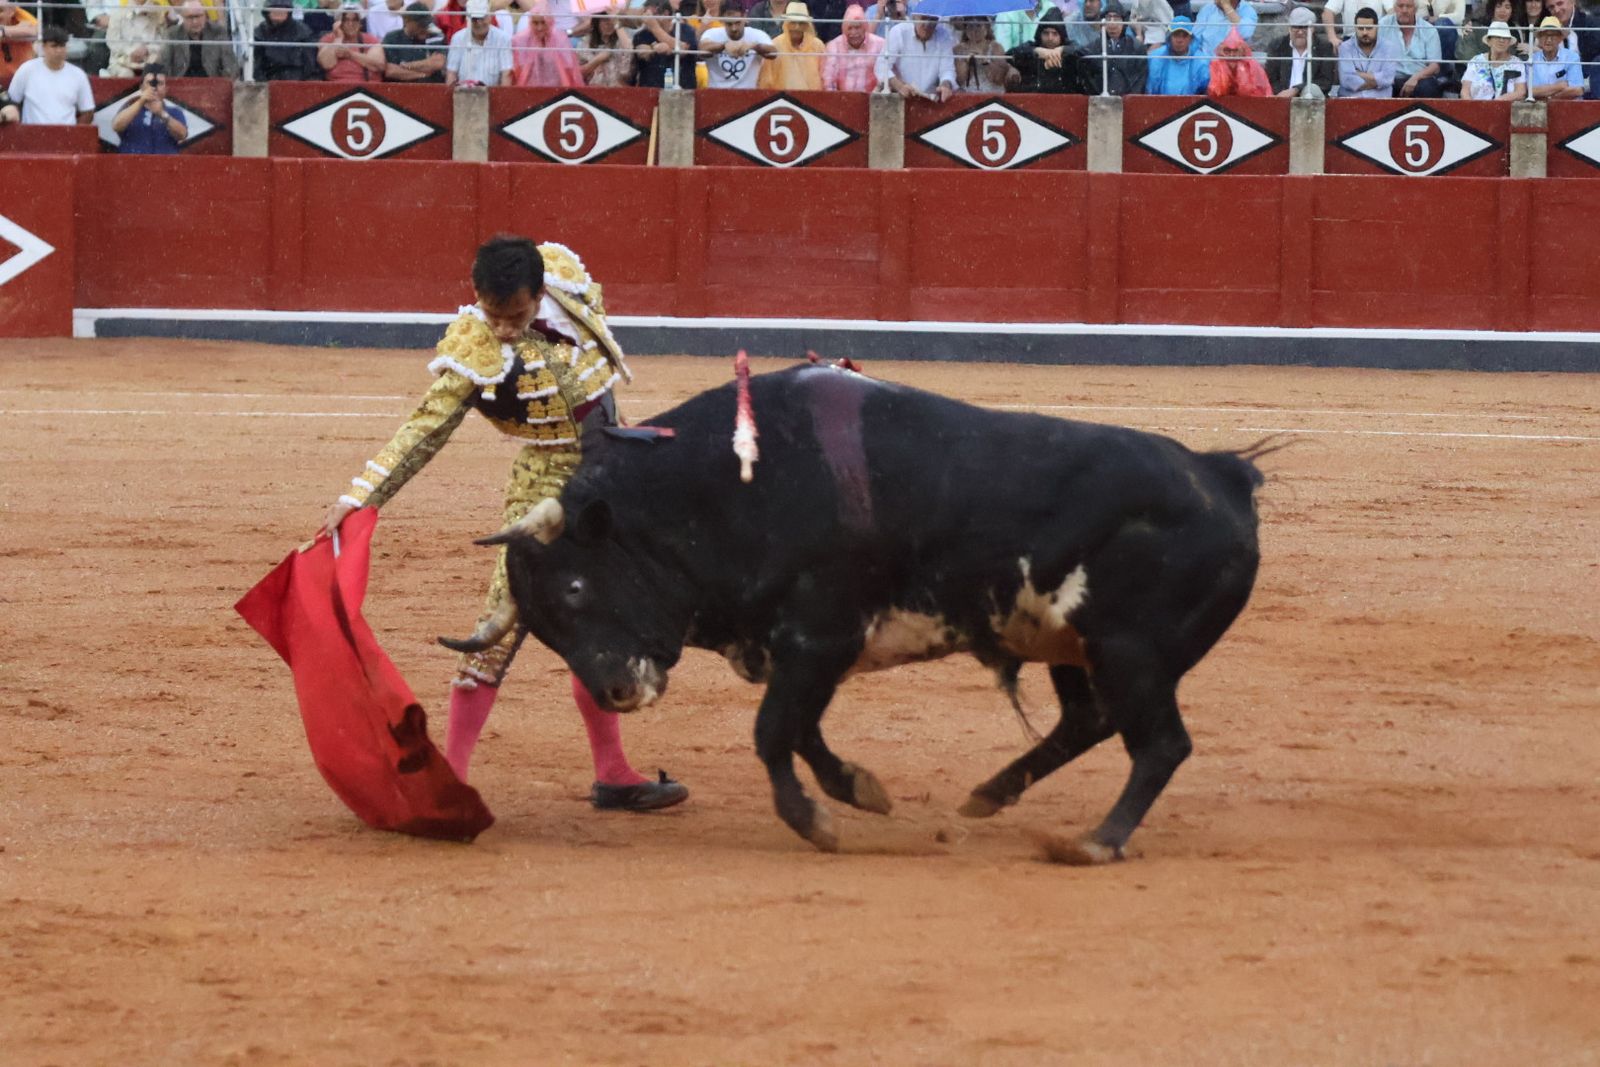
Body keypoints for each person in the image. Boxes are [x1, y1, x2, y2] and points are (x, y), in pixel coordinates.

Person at [320, 236, 690, 811]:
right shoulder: (475, 347)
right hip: (542, 492)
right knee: (499, 624)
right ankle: (451, 781)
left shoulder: (564, 280)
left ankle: (613, 773)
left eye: (515, 315)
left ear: (539, 294)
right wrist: (361, 495)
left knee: (600, 628)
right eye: (492, 314)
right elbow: (424, 430)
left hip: (610, 483)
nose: (504, 329)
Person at [7, 25, 93, 123]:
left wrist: (73, 135)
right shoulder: (27, 69)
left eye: (62, 46)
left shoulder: (78, 75)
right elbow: (12, 102)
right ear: (43, 47)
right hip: (32, 135)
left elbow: (88, 112)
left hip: (66, 136)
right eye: (54, 46)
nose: (59, 50)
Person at [876, 11, 956, 99]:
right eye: (924, 19)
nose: (927, 25)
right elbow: (881, 66)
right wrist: (899, 86)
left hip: (932, 99)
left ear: (937, 20)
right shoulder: (899, 31)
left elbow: (947, 70)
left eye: (932, 20)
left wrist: (945, 85)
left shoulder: (943, 35)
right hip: (901, 97)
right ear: (914, 17)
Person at [110, 61, 189, 151]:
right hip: (132, 163)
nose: (155, 88)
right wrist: (141, 101)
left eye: (160, 83)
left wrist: (162, 114)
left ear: (166, 89)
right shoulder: (129, 108)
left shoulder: (174, 112)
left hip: (165, 163)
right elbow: (116, 126)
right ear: (141, 87)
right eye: (150, 83)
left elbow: (182, 135)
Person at [1007, 5, 1081, 92]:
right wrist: (1036, 51)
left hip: (1066, 100)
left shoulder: (1071, 47)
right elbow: (1008, 55)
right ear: (1040, 34)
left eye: (1055, 33)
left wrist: (1062, 50)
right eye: (1046, 33)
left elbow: (1083, 52)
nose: (1050, 38)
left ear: (1061, 36)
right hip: (1032, 100)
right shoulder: (1032, 46)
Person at [1266, 4, 1336, 95]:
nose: (1300, 32)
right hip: (1282, 97)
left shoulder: (1324, 47)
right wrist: (1282, 94)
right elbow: (1271, 78)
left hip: (1311, 100)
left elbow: (1325, 82)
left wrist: (1296, 90)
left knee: (1313, 90)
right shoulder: (1277, 45)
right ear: (1289, 28)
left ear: (1313, 29)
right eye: (1296, 27)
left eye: (1304, 27)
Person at [1379, 0, 1443, 96]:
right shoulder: (1383, 25)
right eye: (1400, 6)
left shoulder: (1429, 30)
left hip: (1420, 78)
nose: (1404, 10)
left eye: (1409, 6)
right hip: (1391, 78)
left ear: (1416, 9)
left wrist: (1415, 78)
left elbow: (1435, 66)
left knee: (1428, 88)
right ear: (1394, 8)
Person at [700, 6, 775, 87]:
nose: (734, 28)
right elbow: (702, 49)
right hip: (716, 93)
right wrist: (723, 45)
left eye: (738, 23)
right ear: (722, 19)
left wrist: (753, 46)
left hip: (748, 94)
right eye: (729, 24)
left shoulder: (757, 34)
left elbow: (773, 53)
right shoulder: (712, 34)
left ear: (745, 17)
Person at [162, 0, 239, 78]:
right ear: (183, 17)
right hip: (181, 84)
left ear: (205, 16)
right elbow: (163, 64)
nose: (195, 21)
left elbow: (231, 66)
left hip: (212, 85)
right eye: (190, 17)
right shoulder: (173, 34)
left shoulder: (218, 32)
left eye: (198, 16)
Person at [511, 0, 581, 84]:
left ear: (550, 22)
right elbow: (519, 70)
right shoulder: (520, 39)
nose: (539, 28)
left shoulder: (560, 38)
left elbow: (569, 69)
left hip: (557, 87)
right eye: (535, 23)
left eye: (543, 23)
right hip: (530, 88)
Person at [759, 1, 825, 89]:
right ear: (786, 23)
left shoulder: (818, 46)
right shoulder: (775, 45)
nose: (797, 27)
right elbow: (766, 80)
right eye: (793, 22)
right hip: (781, 100)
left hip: (812, 99)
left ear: (807, 25)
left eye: (801, 23)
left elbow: (824, 77)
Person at [446, 0, 514, 85]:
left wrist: (503, 97)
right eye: (475, 19)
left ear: (489, 17)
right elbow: (451, 74)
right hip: (463, 93)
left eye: (482, 18)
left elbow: (506, 74)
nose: (479, 22)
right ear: (468, 20)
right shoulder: (458, 39)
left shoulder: (503, 39)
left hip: (492, 95)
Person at [631, 0, 696, 87]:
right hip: (649, 90)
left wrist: (655, 28)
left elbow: (683, 48)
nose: (646, 19)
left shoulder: (685, 30)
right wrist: (653, 48)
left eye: (652, 15)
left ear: (666, 14)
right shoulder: (642, 34)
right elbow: (642, 52)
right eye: (645, 15)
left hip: (682, 90)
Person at [319, 0, 385, 81]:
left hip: (365, 88)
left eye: (355, 20)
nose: (350, 24)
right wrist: (338, 39)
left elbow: (378, 65)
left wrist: (350, 54)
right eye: (346, 20)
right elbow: (326, 64)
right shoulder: (328, 39)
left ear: (360, 23)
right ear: (339, 22)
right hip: (336, 87)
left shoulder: (370, 40)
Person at [1337, 6, 1398, 94]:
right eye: (1361, 28)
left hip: (1381, 103)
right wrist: (1378, 81)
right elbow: (1347, 81)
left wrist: (1358, 74)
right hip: (1351, 102)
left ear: (1377, 27)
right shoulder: (1345, 47)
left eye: (1369, 28)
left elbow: (1388, 78)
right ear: (1355, 28)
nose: (1365, 32)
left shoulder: (1389, 47)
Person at [255, 0, 321, 81]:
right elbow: (257, 68)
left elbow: (311, 66)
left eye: (283, 8)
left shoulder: (303, 32)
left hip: (298, 81)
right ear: (267, 11)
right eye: (274, 7)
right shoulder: (259, 33)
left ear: (289, 11)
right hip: (270, 81)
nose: (278, 11)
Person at [820, 4, 882, 89]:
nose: (854, 33)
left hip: (872, 98)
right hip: (841, 99)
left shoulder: (880, 44)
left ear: (864, 28)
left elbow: (884, 77)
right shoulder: (834, 46)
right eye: (849, 28)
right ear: (844, 29)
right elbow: (828, 79)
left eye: (857, 28)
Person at [382, 2, 447, 82]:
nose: (424, 27)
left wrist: (405, 66)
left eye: (426, 24)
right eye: (420, 24)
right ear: (406, 20)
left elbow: (438, 63)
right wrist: (424, 73)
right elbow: (391, 71)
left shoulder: (434, 34)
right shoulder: (392, 38)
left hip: (431, 88)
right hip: (400, 89)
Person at [1145, 13, 1209, 91]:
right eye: (1176, 35)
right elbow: (1150, 91)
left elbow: (1205, 93)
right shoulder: (1156, 57)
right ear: (1169, 36)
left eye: (1184, 35)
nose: (1179, 40)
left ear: (1191, 39)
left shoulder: (1201, 61)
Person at [1459, 17, 1524, 93]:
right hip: (1476, 104)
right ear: (1489, 41)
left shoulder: (1517, 64)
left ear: (1509, 42)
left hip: (1506, 104)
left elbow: (1520, 92)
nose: (1501, 40)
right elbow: (1465, 91)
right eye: (1497, 37)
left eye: (1505, 38)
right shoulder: (1476, 61)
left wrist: (1498, 101)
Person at [104, 0, 167, 77]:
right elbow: (112, 42)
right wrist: (131, 51)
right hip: (122, 62)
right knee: (126, 74)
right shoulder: (118, 14)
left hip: (150, 60)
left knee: (154, 71)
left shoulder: (158, 14)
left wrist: (147, 49)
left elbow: (163, 42)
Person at [952, 15, 1015, 92]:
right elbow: (959, 81)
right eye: (970, 26)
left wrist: (985, 61)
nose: (974, 30)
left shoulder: (996, 47)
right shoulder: (957, 49)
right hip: (966, 94)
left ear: (987, 27)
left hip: (992, 94)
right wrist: (966, 63)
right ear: (966, 29)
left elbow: (999, 79)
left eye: (978, 26)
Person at [1527, 13, 1584, 96]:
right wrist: (1559, 86)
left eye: (1553, 35)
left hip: (1567, 106)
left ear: (1560, 38)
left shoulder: (1572, 57)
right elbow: (1532, 91)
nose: (1549, 40)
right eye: (1544, 35)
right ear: (1539, 38)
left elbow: (1578, 90)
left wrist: (1549, 97)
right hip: (1540, 108)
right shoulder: (1532, 60)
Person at [1207, 23, 1268, 92]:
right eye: (1227, 51)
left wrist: (1240, 70)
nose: (1231, 55)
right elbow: (1216, 91)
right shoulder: (1216, 64)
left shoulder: (1252, 66)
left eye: (1235, 50)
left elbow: (1249, 90)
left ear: (1242, 51)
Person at [578, 12, 634, 85]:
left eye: (612, 20)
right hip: (593, 89)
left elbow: (627, 70)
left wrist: (617, 22)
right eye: (605, 20)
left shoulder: (623, 40)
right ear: (597, 22)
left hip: (619, 89)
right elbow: (578, 74)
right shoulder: (586, 43)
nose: (609, 23)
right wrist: (597, 60)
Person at [1191, 0, 1255, 55]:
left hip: (1234, 63)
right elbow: (1195, 38)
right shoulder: (1208, 8)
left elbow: (1245, 33)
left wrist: (1227, 6)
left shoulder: (1247, 10)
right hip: (1207, 63)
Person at [1321, 0, 1392, 48]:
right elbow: (1328, 12)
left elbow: (1392, 12)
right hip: (1350, 39)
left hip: (1376, 40)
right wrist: (1332, 38)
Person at [0, 0, 39, 85]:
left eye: (0, 10)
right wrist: (17, 31)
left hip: (23, 83)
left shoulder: (19, 14)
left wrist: (2, 32)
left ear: (12, 11)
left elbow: (35, 30)